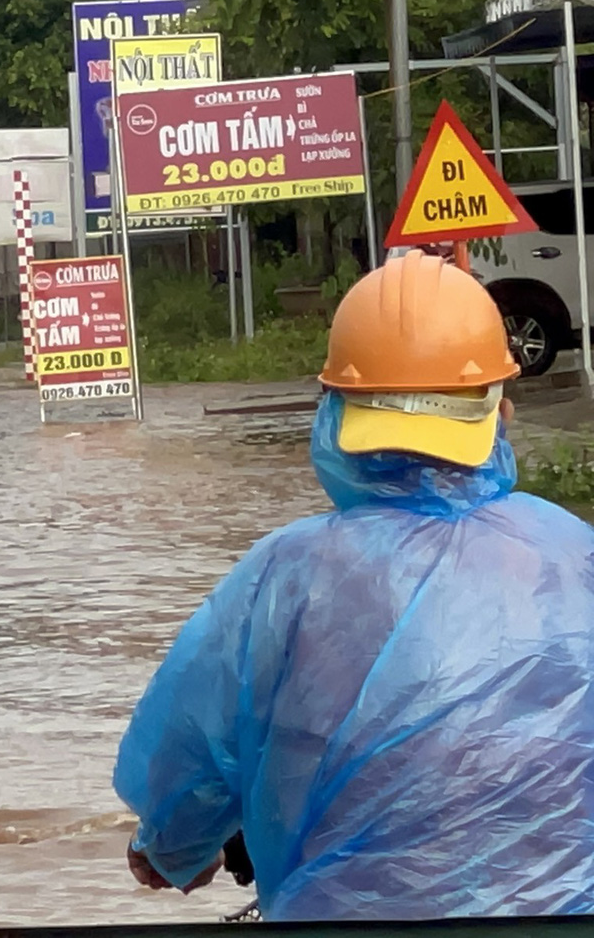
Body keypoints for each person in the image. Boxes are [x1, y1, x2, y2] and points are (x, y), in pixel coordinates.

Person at [114, 249, 594, 920]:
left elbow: (184, 770)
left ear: (338, 419)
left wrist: (170, 852)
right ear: (500, 415)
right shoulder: (574, 554)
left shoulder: (282, 576)